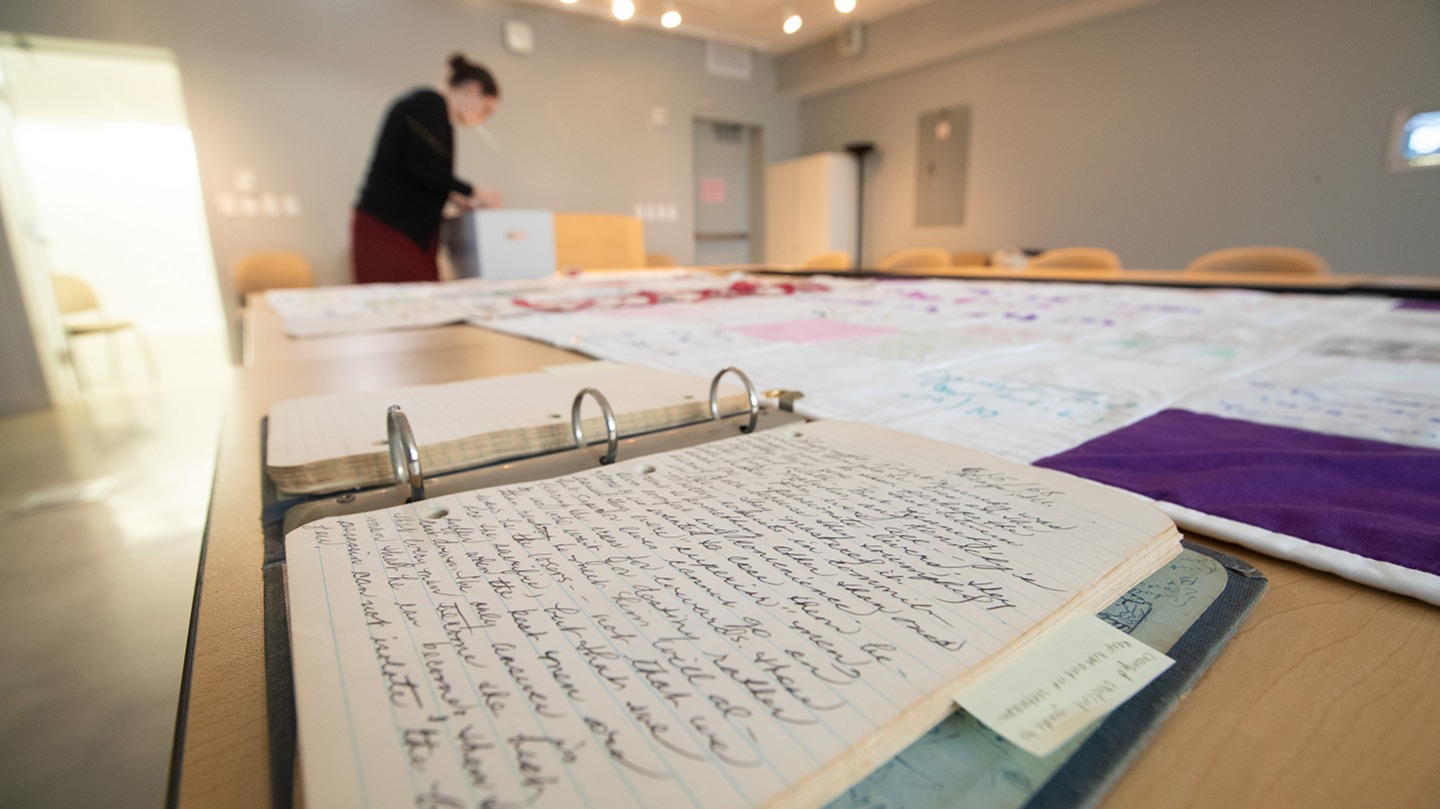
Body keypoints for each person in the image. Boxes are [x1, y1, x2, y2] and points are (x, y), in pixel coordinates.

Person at [351, 53, 501, 284]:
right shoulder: (427, 103)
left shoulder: (438, 115)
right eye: (486, 109)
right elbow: (423, 167)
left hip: (413, 230)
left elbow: (425, 174)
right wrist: (475, 191)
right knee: (405, 304)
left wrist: (452, 195)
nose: (482, 118)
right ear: (473, 89)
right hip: (392, 226)